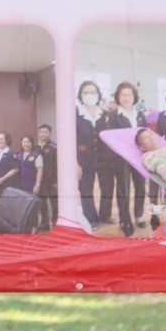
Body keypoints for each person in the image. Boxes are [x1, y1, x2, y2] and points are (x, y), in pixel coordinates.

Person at [100, 82, 145, 236]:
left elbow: (145, 134)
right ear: (118, 97)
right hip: (121, 159)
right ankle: (125, 220)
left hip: (139, 157)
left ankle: (139, 215)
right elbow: (110, 138)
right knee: (123, 189)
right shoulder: (112, 116)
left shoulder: (140, 114)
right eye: (123, 95)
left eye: (129, 94)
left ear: (134, 97)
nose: (126, 98)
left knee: (140, 187)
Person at [73, 81, 106, 228]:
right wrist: (75, 163)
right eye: (85, 92)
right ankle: (91, 218)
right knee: (86, 189)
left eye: (93, 92)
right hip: (83, 159)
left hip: (103, 158)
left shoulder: (104, 114)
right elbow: (70, 140)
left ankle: (105, 215)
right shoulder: (75, 113)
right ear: (80, 95)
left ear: (98, 95)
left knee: (107, 187)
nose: (89, 95)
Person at [35, 125, 59, 229]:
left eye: (45, 132)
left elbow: (58, 166)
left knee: (54, 203)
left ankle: (55, 224)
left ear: (50, 133)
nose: (43, 134)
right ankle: (44, 224)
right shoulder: (35, 147)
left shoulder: (54, 147)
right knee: (42, 203)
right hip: (40, 180)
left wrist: (56, 181)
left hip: (51, 180)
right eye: (41, 132)